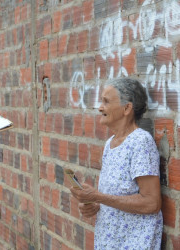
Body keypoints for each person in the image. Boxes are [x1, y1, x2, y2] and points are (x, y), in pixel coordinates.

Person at [69, 78, 163, 249]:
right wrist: (94, 205)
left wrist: (98, 196)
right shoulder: (110, 144)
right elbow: (115, 198)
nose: (100, 108)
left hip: (133, 244)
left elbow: (151, 203)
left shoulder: (140, 142)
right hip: (109, 242)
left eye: (106, 101)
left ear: (127, 108)